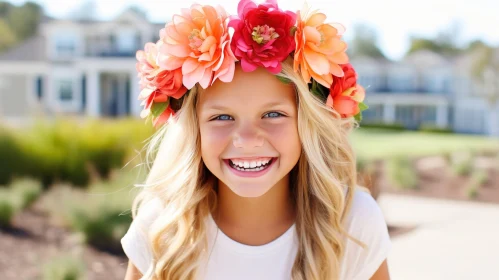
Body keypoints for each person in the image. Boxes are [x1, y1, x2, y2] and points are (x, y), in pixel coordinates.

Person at [121, 1, 392, 279]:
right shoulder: (162, 227)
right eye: (222, 117)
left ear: (306, 125)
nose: (247, 140)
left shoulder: (353, 222)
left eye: (273, 114)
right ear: (195, 129)